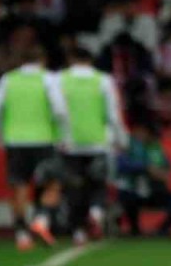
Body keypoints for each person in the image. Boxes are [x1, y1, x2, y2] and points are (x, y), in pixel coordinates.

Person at [0, 46, 67, 250]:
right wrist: (61, 133)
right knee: (52, 184)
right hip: (44, 139)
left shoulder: (8, 79)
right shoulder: (49, 78)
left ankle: (22, 234)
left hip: (15, 140)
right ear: (43, 59)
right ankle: (41, 220)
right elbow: (59, 109)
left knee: (19, 187)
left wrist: (1, 134)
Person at [54, 47, 126, 246]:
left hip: (69, 143)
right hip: (98, 142)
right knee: (97, 184)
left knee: (74, 188)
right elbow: (112, 113)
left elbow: (57, 110)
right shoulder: (103, 80)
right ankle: (95, 211)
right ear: (91, 59)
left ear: (71, 58)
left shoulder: (60, 79)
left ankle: (78, 232)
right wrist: (122, 138)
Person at [115, 121, 171, 236]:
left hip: (155, 191)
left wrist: (162, 173)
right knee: (126, 198)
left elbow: (166, 168)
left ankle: (161, 230)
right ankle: (135, 230)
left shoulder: (156, 148)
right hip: (133, 190)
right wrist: (146, 168)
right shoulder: (128, 145)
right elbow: (120, 165)